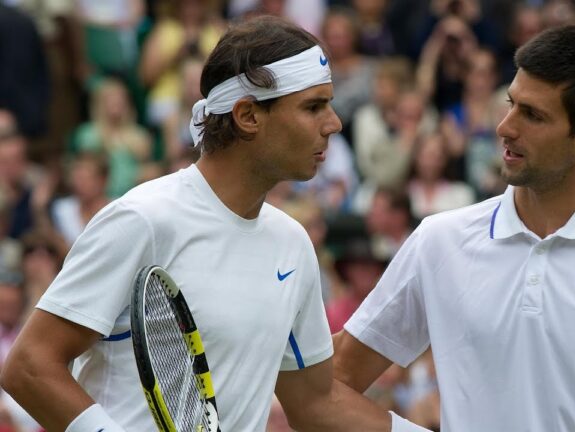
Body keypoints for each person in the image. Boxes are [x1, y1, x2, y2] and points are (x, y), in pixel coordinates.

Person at [0, 16, 428, 432]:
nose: (333, 124)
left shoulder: (293, 244)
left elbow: (317, 404)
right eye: (313, 106)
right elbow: (30, 366)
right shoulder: (142, 220)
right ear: (248, 116)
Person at [332, 25, 575, 431]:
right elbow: (334, 383)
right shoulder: (438, 240)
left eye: (533, 115)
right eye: (511, 103)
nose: (505, 127)